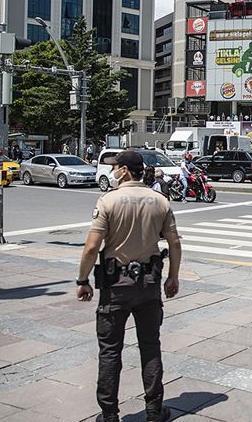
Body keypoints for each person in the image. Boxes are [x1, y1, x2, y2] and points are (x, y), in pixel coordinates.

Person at [75, 150, 181, 422]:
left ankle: (109, 415)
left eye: (116, 167)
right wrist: (173, 276)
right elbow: (175, 242)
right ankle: (155, 411)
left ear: (124, 170)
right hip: (148, 285)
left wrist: (83, 280)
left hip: (115, 286)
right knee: (150, 346)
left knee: (110, 351)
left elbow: (91, 247)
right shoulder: (160, 201)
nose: (113, 172)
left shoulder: (108, 201)